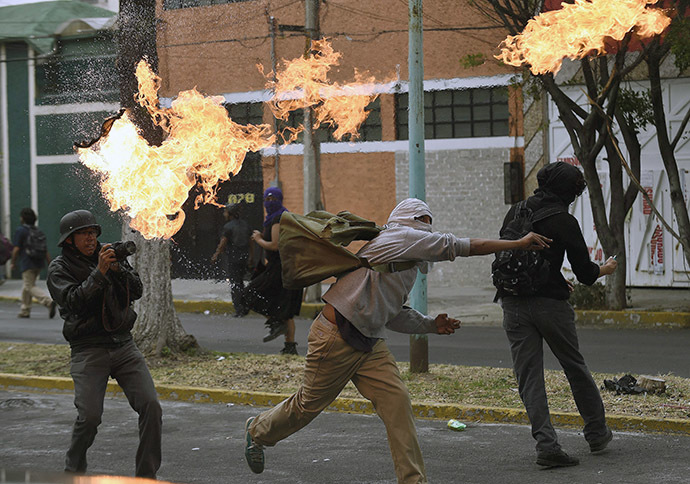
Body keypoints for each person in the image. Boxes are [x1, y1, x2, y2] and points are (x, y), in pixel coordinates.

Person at [243, 197, 551, 483]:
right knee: (305, 407)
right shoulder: (399, 237)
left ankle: (413, 481)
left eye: (429, 220)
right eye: (422, 219)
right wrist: (518, 243)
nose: (427, 227)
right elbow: (457, 246)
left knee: (398, 405)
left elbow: (393, 313)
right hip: (336, 336)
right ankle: (257, 431)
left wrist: (431, 325)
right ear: (406, 220)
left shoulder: (406, 261)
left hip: (369, 343)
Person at [495, 162, 618, 468]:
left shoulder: (516, 211)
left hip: (511, 302)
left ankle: (546, 445)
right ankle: (596, 432)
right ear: (569, 192)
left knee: (529, 376)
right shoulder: (564, 219)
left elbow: (512, 252)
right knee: (574, 366)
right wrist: (607, 269)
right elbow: (586, 274)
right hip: (550, 305)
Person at [46, 210, 162, 479]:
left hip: (123, 345)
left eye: (93, 232)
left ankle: (146, 475)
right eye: (83, 234)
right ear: (69, 240)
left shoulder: (110, 255)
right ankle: (72, 471)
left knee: (151, 406)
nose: (90, 238)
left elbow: (138, 290)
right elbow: (73, 302)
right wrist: (99, 272)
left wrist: (118, 269)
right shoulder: (59, 268)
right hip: (88, 349)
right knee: (89, 418)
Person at [241, 187, 303, 355]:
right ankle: (290, 347)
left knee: (249, 293)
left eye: (273, 199)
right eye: (267, 200)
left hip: (280, 268)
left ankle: (276, 323)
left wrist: (259, 239)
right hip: (287, 268)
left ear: (280, 200)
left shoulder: (278, 218)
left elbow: (275, 246)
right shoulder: (278, 217)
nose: (269, 203)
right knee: (285, 310)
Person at [10, 207, 56, 318]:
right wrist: (49, 262)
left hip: (27, 262)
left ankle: (48, 302)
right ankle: (25, 310)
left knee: (29, 286)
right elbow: (45, 250)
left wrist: (13, 262)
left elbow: (16, 248)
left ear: (22, 218)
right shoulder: (38, 231)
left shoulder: (21, 231)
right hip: (39, 262)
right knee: (27, 285)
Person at [211, 202, 251, 317]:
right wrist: (251, 257)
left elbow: (223, 242)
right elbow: (251, 242)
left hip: (234, 259)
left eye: (225, 212)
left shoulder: (228, 227)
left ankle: (239, 309)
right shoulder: (245, 225)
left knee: (235, 284)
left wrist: (216, 254)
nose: (224, 214)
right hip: (244, 257)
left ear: (230, 213)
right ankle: (245, 307)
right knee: (241, 283)